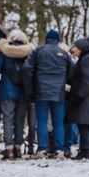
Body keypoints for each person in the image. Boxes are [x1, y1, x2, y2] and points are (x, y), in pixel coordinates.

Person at [23, 30, 72, 159]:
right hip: (59, 93)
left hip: (41, 92)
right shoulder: (65, 54)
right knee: (58, 122)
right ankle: (60, 150)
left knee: (42, 121)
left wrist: (31, 87)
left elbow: (27, 68)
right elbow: (72, 71)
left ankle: (42, 149)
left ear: (46, 39)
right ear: (58, 40)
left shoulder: (38, 51)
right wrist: (63, 80)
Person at [0, 29, 34, 159]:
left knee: (8, 120)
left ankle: (8, 149)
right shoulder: (29, 54)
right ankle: (18, 148)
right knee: (20, 121)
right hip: (23, 92)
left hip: (6, 91)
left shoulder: (4, 53)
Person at [68, 38, 89, 160]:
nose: (73, 49)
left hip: (86, 97)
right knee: (85, 125)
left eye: (76, 47)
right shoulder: (88, 58)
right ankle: (85, 150)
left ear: (81, 48)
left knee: (83, 125)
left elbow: (87, 80)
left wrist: (79, 95)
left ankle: (84, 151)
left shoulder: (87, 60)